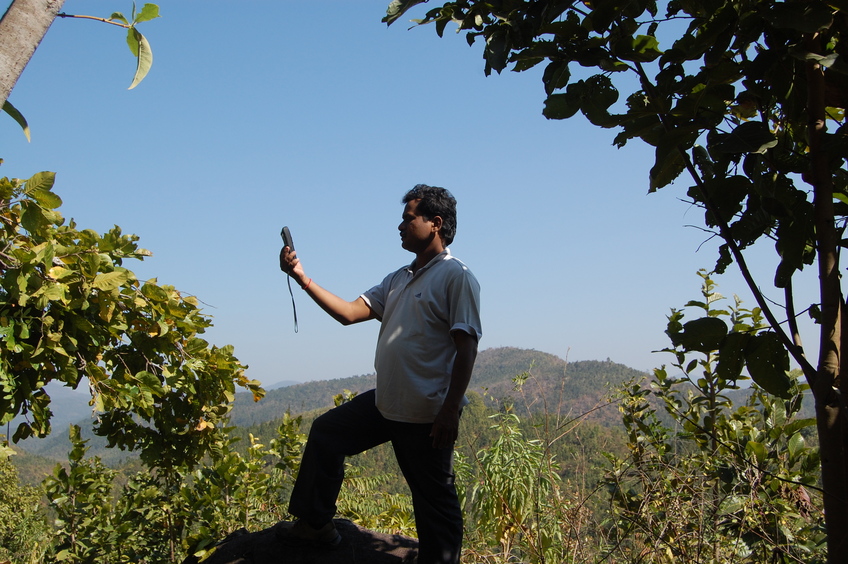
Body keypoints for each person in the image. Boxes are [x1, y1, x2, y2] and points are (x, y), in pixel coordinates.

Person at [276, 184, 482, 564]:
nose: (400, 227)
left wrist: (450, 409)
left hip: (424, 415)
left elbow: (467, 346)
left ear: (435, 224)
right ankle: (316, 525)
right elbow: (349, 313)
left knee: (435, 502)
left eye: (408, 219)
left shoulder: (456, 276)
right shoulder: (398, 278)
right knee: (327, 433)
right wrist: (302, 277)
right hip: (386, 403)